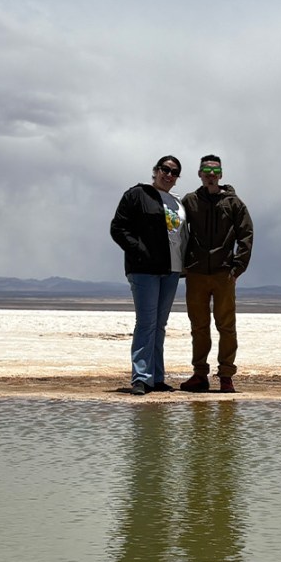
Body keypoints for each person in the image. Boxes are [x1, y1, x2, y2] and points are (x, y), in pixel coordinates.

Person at [110, 155, 187, 395]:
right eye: (165, 169)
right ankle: (141, 378)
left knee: (160, 325)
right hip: (145, 270)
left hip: (172, 270)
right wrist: (140, 252)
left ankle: (156, 377)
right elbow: (118, 228)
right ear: (155, 171)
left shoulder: (177, 202)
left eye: (175, 172)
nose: (169, 175)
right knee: (146, 323)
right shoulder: (137, 195)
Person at [179, 154, 254, 393]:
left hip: (224, 274)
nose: (210, 175)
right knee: (199, 326)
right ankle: (200, 374)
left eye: (215, 171)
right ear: (199, 174)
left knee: (226, 326)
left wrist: (237, 267)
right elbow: (177, 232)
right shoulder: (190, 201)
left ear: (220, 174)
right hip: (196, 273)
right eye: (206, 171)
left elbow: (246, 235)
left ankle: (226, 376)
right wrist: (182, 264)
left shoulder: (234, 203)